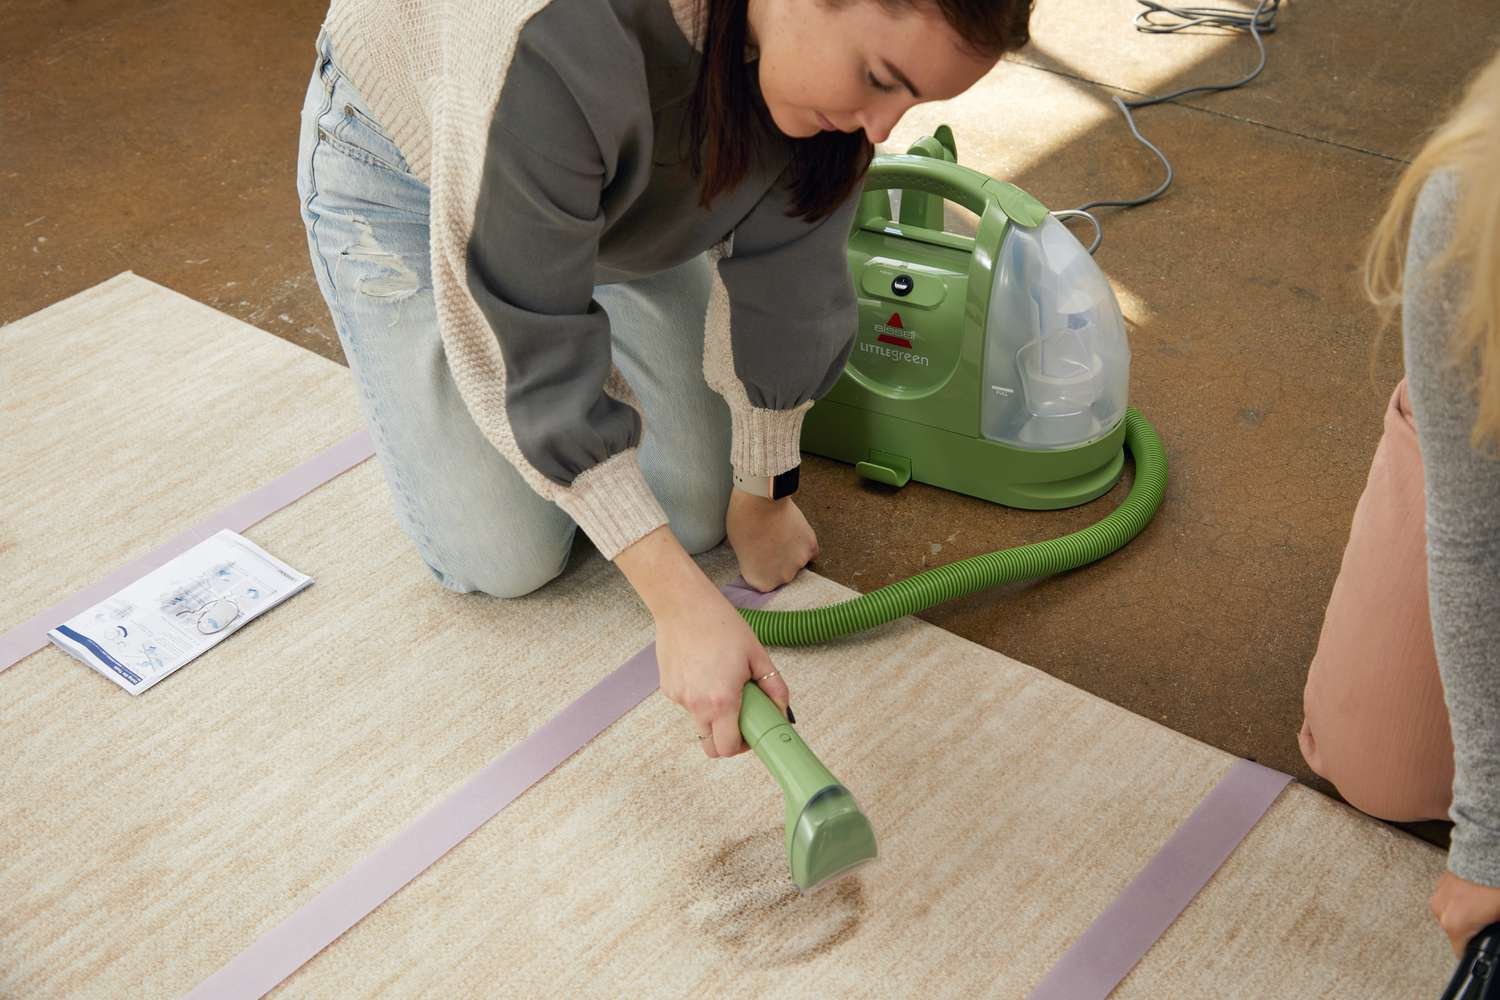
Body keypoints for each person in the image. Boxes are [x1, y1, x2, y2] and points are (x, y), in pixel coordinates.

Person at [296, 0, 1031, 761]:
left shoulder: (821, 97)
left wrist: (765, 487)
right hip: (405, 169)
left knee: (697, 510)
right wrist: (681, 608)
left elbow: (795, 275)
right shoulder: (559, 32)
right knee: (505, 558)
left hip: (613, 177)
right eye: (880, 80)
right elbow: (522, 343)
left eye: (912, 102)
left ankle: (595, 238)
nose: (881, 130)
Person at [1298, 47, 1500, 958]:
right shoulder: (1475, 195)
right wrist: (1491, 837)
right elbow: (1476, 538)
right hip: (1488, 445)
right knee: (1384, 766)